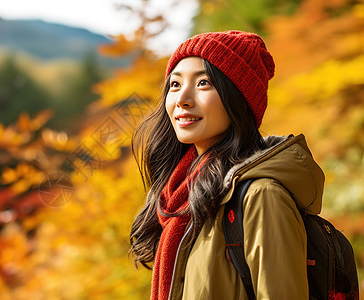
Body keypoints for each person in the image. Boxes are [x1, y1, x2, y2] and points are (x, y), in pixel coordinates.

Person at [129, 30, 324, 299]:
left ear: (238, 99)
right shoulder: (178, 198)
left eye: (203, 83)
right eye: (174, 84)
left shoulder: (261, 196)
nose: (182, 99)